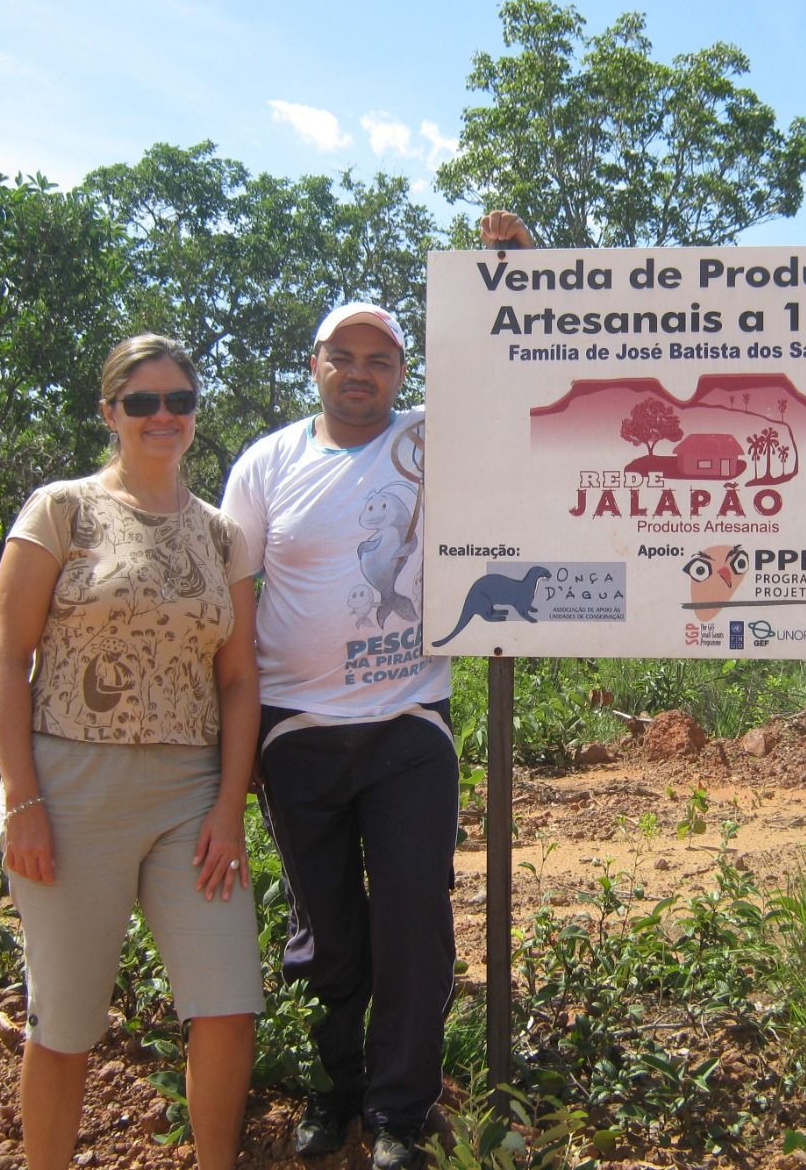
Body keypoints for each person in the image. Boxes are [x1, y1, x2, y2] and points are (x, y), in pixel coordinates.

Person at [221, 211, 534, 1168]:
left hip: (407, 725)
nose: (362, 372)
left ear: (403, 375)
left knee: (413, 918)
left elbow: (511, 376)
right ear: (314, 363)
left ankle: (400, 1113)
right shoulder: (264, 465)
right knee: (328, 932)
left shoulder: (428, 441)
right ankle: (337, 1086)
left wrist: (512, 272)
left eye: (383, 360)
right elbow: (235, 615)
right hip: (294, 731)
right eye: (344, 356)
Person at [0, 334, 263, 1169]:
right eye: (142, 402)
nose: (162, 416)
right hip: (71, 787)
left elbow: (240, 679)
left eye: (178, 400)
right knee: (66, 1019)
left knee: (227, 1003)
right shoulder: (60, 510)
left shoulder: (221, 536)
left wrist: (228, 808)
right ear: (111, 413)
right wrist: (23, 800)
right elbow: (6, 656)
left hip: (191, 793)